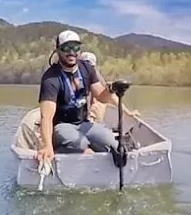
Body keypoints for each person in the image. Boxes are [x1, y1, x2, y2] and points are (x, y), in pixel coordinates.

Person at [36, 31, 133, 166]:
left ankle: (99, 154)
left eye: (75, 47)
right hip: (62, 126)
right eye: (66, 48)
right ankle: (68, 151)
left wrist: (111, 90)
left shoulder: (86, 68)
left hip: (84, 124)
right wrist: (46, 146)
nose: (72, 52)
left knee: (113, 143)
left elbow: (101, 96)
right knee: (80, 144)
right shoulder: (51, 78)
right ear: (58, 50)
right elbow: (46, 117)